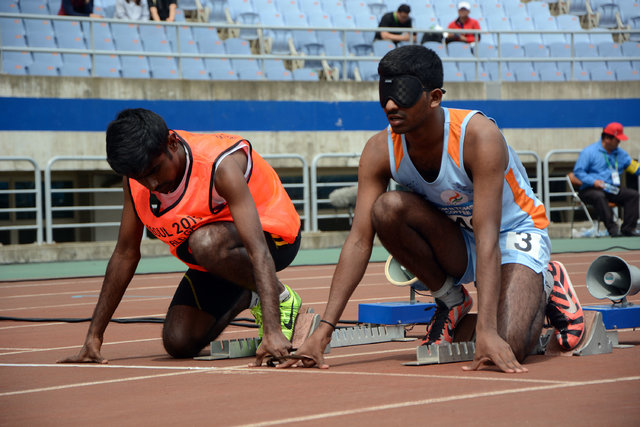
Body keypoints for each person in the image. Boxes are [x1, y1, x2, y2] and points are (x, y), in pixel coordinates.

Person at [281, 45, 584, 373]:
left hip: (511, 233)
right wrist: (323, 333)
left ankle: (546, 279)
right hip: (458, 237)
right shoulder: (379, 149)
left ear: (435, 97)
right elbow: (358, 240)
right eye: (385, 93)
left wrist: (486, 331)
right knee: (386, 209)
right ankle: (451, 300)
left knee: (508, 344)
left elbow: (487, 236)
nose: (390, 104)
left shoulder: (478, 136)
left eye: (403, 94)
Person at [59, 109, 303, 366]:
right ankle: (249, 293)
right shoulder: (136, 181)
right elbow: (125, 253)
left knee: (204, 242)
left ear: (171, 143)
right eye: (140, 177)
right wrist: (93, 338)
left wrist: (273, 329)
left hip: (273, 239)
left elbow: (257, 250)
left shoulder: (219, 166)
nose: (151, 184)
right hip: (215, 253)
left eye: (155, 170)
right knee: (179, 342)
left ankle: (282, 297)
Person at [573, 122, 640, 237]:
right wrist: (594, 181)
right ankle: (613, 229)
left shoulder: (621, 154)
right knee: (599, 196)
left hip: (611, 189)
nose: (619, 143)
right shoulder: (589, 152)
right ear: (607, 138)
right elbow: (578, 172)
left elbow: (634, 168)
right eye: (617, 140)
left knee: (633, 195)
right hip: (590, 189)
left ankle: (628, 229)